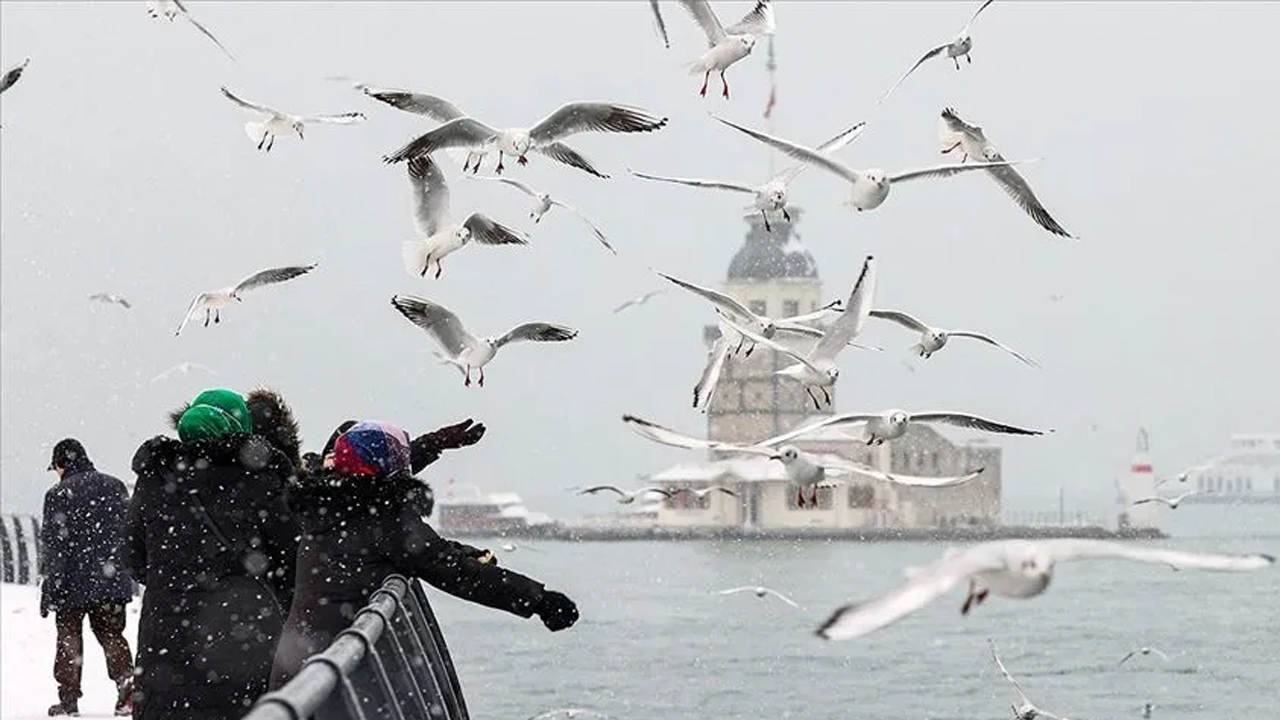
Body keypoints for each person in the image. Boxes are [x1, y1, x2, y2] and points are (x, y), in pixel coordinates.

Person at [269, 420, 579, 689]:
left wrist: (432, 444)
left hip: (298, 663)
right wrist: (540, 600)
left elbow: (372, 474)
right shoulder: (383, 520)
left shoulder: (326, 501)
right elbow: (454, 571)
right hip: (337, 674)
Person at [122, 389, 298, 720]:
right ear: (240, 427)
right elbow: (291, 558)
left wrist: (174, 582)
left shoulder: (155, 477)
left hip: (165, 639)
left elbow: (132, 556)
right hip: (243, 640)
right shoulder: (260, 478)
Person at [40, 438, 136, 717]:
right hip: (112, 578)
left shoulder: (58, 494)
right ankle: (127, 687)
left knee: (69, 637)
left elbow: (55, 546)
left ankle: (69, 700)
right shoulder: (115, 486)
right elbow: (129, 532)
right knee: (112, 634)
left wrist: (53, 586)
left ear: (61, 464)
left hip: (72, 581)